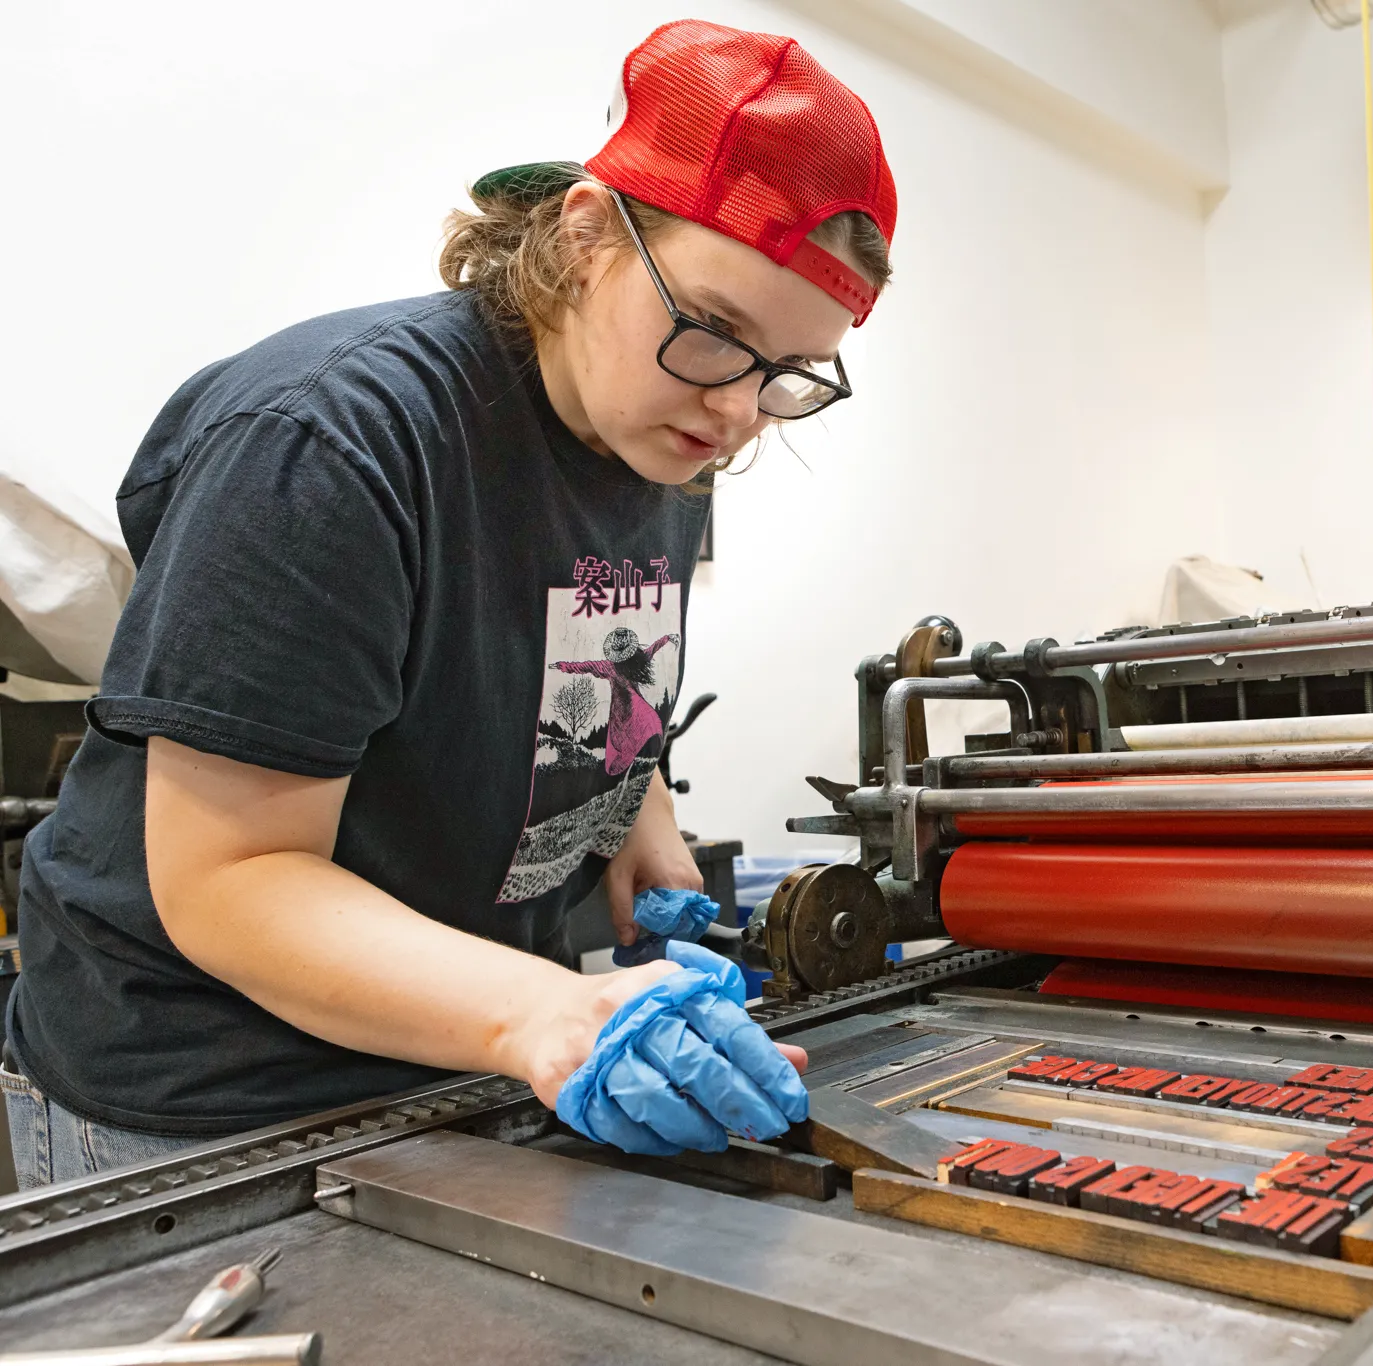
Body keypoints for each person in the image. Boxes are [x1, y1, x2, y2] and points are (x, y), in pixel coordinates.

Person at [2, 18, 895, 1186]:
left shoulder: (661, 436)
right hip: (202, 1104)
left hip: (436, 1069)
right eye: (716, 332)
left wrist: (638, 817)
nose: (735, 412)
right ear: (585, 239)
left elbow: (581, 661)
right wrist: (544, 1014)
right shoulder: (331, 444)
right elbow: (230, 882)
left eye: (784, 371)